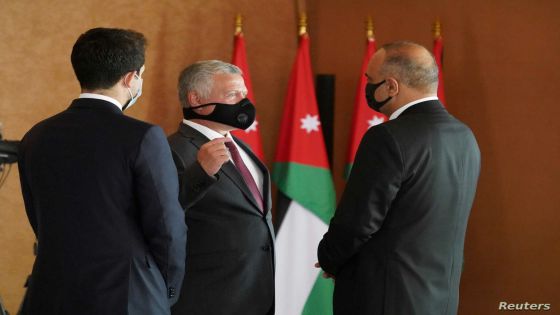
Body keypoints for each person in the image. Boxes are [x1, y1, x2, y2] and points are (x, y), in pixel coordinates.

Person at [18, 27, 187, 315]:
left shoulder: (35, 136)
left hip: (50, 292)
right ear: (131, 77)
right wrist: (164, 289)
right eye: (141, 75)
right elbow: (167, 226)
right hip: (128, 295)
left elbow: (39, 218)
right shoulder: (144, 136)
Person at [317, 41, 481, 315]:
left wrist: (329, 259)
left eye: (370, 80)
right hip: (440, 299)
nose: (366, 87)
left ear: (391, 86)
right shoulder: (464, 135)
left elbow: (358, 222)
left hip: (384, 298)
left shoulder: (387, 138)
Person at [168, 60, 275, 315]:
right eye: (232, 95)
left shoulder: (241, 147)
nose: (244, 102)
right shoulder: (171, 149)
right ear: (196, 99)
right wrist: (201, 173)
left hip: (256, 294)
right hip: (207, 298)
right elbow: (161, 214)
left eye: (244, 94)